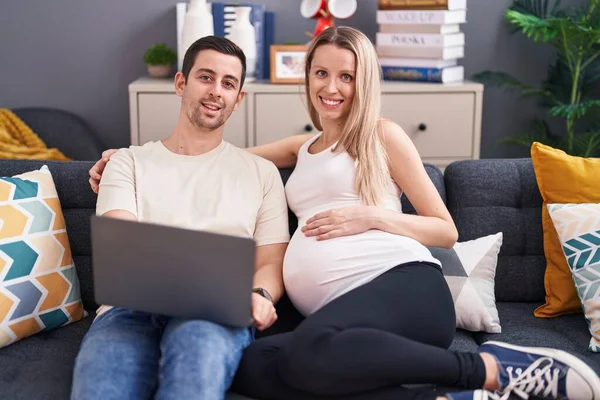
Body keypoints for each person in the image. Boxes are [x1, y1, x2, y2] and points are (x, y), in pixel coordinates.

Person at [88, 27, 600, 400]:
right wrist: (125, 159)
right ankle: (439, 398)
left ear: (364, 81)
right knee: (250, 369)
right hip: (336, 313)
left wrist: (372, 217)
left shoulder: (381, 134)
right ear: (307, 78)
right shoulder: (301, 146)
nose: (331, 87)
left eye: (346, 76)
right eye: (321, 73)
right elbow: (216, 156)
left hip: (400, 284)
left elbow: (446, 230)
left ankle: (487, 369)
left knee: (307, 355)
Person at [72, 36, 290, 400]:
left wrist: (261, 295)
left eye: (228, 83)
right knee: (101, 389)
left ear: (239, 99)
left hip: (216, 312)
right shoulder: (126, 162)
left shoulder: (262, 173)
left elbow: (270, 261)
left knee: (193, 380)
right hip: (130, 310)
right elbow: (122, 246)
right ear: (180, 83)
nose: (216, 91)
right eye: (205, 77)